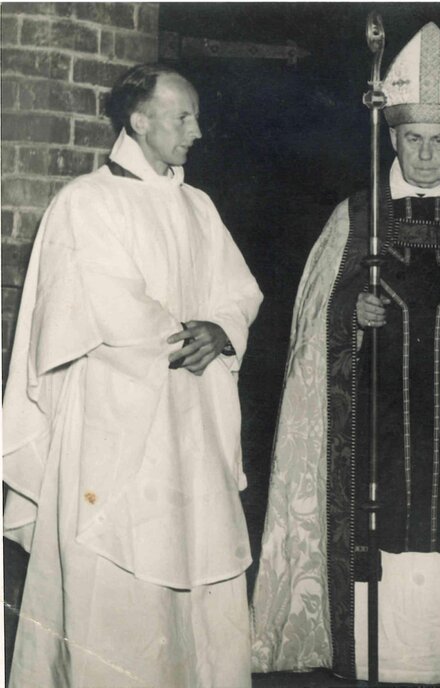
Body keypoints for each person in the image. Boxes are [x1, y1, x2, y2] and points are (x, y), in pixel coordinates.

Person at [250, 22, 440, 685]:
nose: (424, 154)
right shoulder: (357, 217)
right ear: (391, 138)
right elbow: (306, 330)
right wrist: (348, 317)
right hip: (373, 429)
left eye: (439, 140)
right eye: (412, 138)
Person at [3, 63, 263, 687]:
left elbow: (239, 290)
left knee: (198, 580)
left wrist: (222, 331)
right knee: (119, 592)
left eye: (197, 116)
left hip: (192, 423)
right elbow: (103, 304)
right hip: (116, 425)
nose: (197, 131)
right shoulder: (86, 203)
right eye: (183, 117)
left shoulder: (198, 206)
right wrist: (186, 335)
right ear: (138, 120)